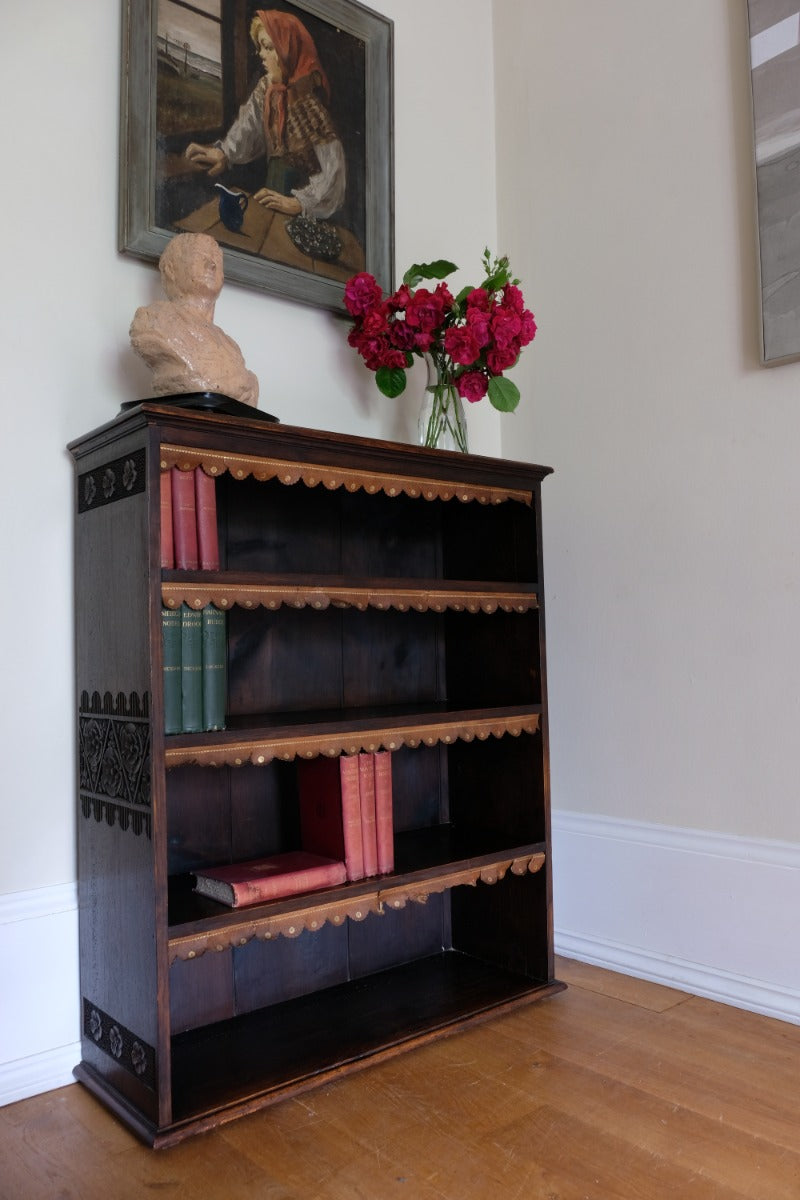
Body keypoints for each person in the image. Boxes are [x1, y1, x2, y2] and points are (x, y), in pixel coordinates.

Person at [184, 10, 345, 222]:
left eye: (269, 47)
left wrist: (300, 203)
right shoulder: (266, 89)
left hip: (308, 209)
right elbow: (248, 128)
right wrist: (224, 153)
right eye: (260, 47)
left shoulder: (309, 104)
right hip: (273, 188)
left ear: (289, 52)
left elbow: (335, 174)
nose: (261, 54)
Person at [129, 232, 259, 406]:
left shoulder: (231, 346)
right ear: (171, 269)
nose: (212, 264)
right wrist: (241, 385)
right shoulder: (152, 322)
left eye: (217, 260)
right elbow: (242, 386)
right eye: (200, 256)